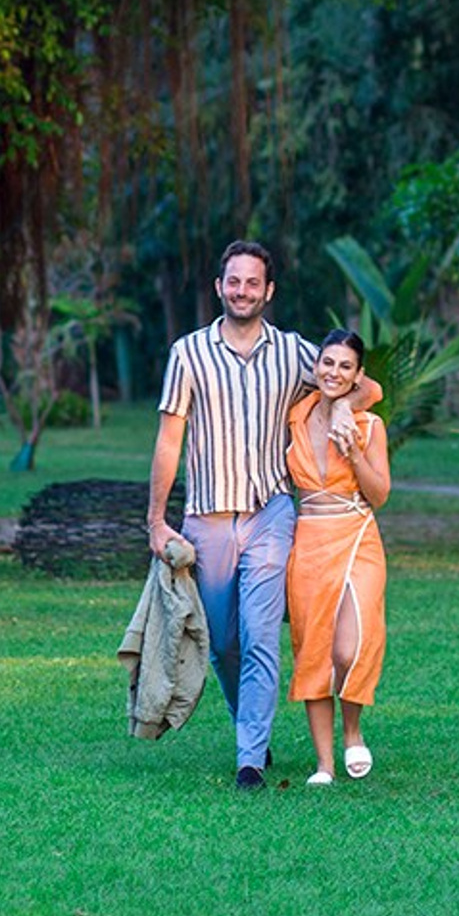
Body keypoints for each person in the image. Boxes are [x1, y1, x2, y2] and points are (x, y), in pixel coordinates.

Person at [148, 241, 378, 791]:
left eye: (253, 283)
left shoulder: (293, 352)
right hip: (207, 517)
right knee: (223, 643)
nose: (243, 291)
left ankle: (250, 758)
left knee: (258, 637)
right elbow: (168, 440)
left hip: (271, 514)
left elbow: (361, 384)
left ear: (269, 291)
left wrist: (345, 404)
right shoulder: (189, 354)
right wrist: (157, 521)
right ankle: (249, 727)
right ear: (219, 287)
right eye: (234, 282)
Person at [285, 330, 391, 785]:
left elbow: (380, 494)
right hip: (309, 539)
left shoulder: (369, 426)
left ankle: (353, 731)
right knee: (315, 653)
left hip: (356, 533)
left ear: (357, 374)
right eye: (328, 363)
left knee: (349, 647)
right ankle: (324, 764)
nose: (334, 372)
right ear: (316, 367)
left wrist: (353, 451)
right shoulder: (294, 416)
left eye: (345, 366)